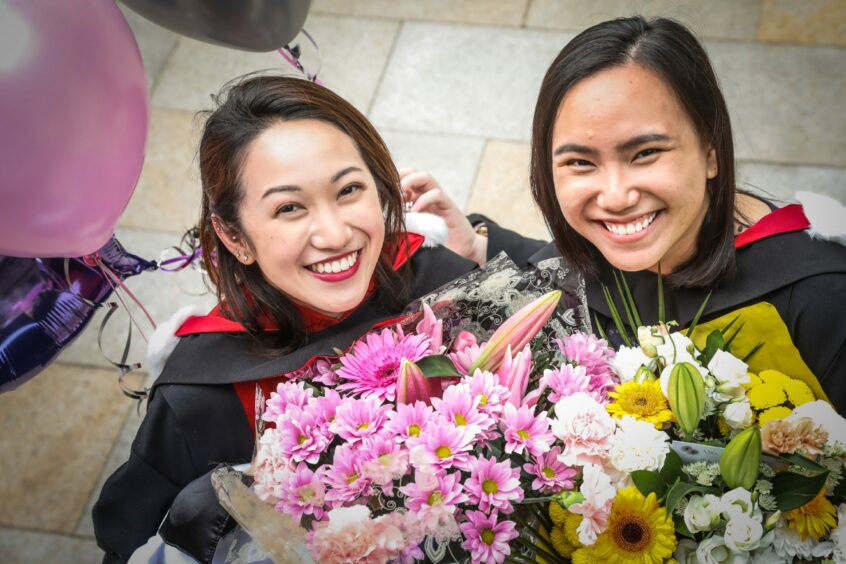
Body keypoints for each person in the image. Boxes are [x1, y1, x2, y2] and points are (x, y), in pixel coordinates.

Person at [91, 75, 499, 563]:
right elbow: (131, 542)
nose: (333, 233)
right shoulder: (201, 400)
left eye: (348, 189)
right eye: (289, 207)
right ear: (234, 236)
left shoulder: (439, 282)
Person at [483, 16, 846, 407]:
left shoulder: (821, 295)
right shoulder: (581, 269)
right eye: (580, 162)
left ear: (710, 152)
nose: (617, 197)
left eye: (646, 153)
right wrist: (482, 243)